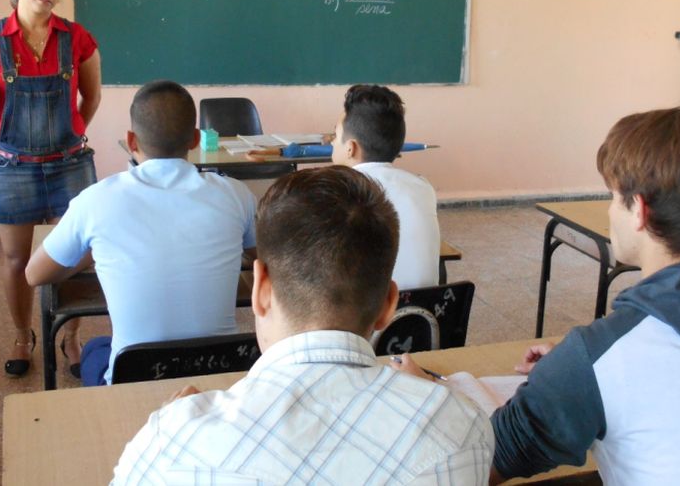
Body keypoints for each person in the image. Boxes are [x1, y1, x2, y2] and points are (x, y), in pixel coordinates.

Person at [397, 104, 680, 485]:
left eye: (614, 196)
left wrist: (431, 392)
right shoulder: (597, 359)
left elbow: (477, 462)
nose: (609, 209)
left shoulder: (597, 361)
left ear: (640, 212)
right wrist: (571, 371)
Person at [111, 165, 493, 484]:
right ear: (388, 305)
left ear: (260, 287)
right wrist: (436, 400)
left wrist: (175, 424)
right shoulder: (462, 428)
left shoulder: (174, 444)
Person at [26, 80, 257, 386]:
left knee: (97, 348)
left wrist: (93, 254)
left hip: (135, 377)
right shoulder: (237, 195)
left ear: (131, 140)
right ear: (196, 139)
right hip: (219, 373)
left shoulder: (96, 200)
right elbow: (265, 257)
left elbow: (34, 274)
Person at [0, 0, 101, 377]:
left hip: (69, 164)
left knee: (76, 254)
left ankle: (71, 338)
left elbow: (91, 97)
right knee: (15, 260)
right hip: (11, 166)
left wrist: (71, 136)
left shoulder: (77, 37)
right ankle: (23, 336)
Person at [331, 84, 440, 290]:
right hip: (425, 316)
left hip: (372, 319)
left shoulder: (341, 192)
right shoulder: (423, 188)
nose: (332, 143)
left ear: (350, 148)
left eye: (335, 136)